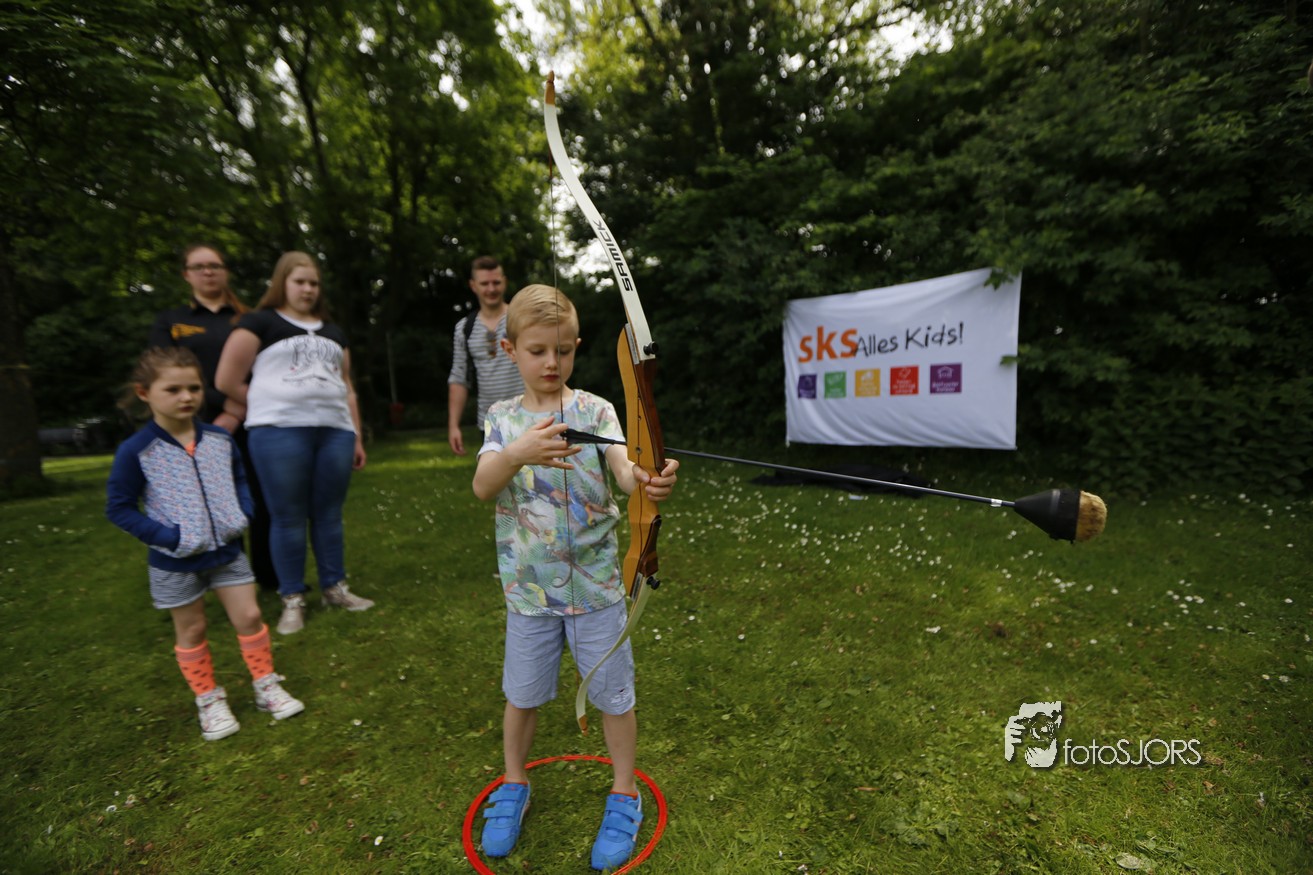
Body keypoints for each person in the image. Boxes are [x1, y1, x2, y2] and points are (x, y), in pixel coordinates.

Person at [471, 285, 679, 869]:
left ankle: (624, 792)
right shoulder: (503, 419)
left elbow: (624, 470)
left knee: (613, 694)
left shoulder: (596, 411)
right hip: (529, 593)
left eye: (562, 351)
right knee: (522, 695)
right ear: (510, 350)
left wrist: (647, 478)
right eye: (537, 351)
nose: (551, 362)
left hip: (597, 590)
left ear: (577, 347)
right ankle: (514, 782)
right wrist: (517, 453)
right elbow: (484, 485)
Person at [106, 347, 304, 741]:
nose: (186, 397)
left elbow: (240, 478)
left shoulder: (219, 438)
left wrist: (242, 512)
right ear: (144, 393)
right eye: (173, 389)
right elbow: (119, 507)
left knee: (249, 616)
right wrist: (169, 538)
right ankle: (209, 699)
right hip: (174, 562)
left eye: (194, 388)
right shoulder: (137, 451)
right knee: (193, 629)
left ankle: (266, 685)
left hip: (227, 552)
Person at [215, 250, 375, 636]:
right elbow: (226, 380)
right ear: (282, 282)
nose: (307, 289)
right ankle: (292, 598)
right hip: (278, 431)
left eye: (313, 283)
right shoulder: (259, 323)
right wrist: (269, 402)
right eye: (299, 281)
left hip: (335, 432)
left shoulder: (334, 332)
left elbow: (347, 388)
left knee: (329, 514)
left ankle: (334, 588)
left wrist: (356, 435)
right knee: (286, 516)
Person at [149, 243, 279, 592]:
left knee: (262, 500)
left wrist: (236, 411)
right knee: (216, 505)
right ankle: (230, 580)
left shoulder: (249, 319)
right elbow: (164, 373)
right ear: (186, 274)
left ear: (225, 272)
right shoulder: (172, 321)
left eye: (215, 265)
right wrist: (221, 410)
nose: (208, 272)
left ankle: (270, 577)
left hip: (251, 422)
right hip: (195, 426)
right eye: (199, 266)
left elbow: (268, 370)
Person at [448, 255, 524, 456]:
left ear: (504, 282)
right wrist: (453, 425)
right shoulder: (464, 328)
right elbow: (459, 378)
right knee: (496, 476)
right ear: (473, 286)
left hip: (529, 416)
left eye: (496, 282)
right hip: (490, 422)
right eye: (484, 283)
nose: (491, 289)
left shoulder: (522, 318)